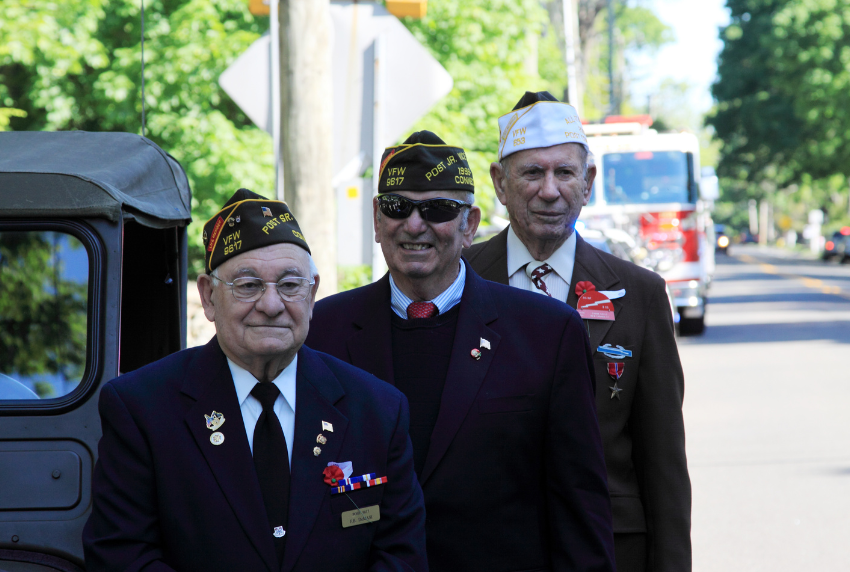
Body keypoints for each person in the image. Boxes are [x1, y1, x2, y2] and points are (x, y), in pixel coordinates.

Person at [306, 131, 615, 572]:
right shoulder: (323, 332)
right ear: (377, 219)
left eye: (437, 209)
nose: (415, 225)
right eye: (398, 207)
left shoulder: (547, 333)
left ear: (470, 224)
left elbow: (579, 506)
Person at [83, 189, 427, 572]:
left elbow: (401, 555)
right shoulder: (142, 408)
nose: (271, 304)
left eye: (290, 285)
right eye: (248, 286)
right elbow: (121, 556)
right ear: (209, 297)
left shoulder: (377, 409)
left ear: (312, 294)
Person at [464, 91, 691, 572]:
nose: (550, 190)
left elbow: (663, 462)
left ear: (587, 182)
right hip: (484, 548)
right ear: (499, 184)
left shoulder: (639, 293)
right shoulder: (457, 282)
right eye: (531, 173)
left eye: (564, 172)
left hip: (609, 549)